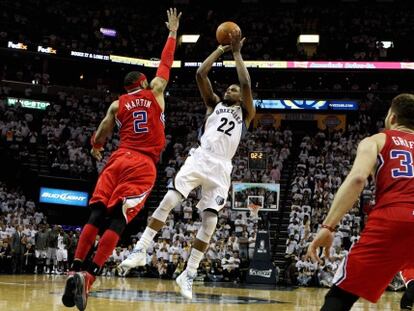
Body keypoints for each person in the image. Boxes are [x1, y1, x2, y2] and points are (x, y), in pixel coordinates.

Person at [118, 28, 255, 300]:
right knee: (169, 199)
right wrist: (221, 50)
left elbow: (247, 84)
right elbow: (200, 74)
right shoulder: (213, 104)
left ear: (241, 97)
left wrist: (238, 54)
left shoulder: (246, 112)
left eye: (234, 89)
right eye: (228, 87)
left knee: (210, 222)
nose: (230, 89)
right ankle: (142, 249)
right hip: (201, 157)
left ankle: (189, 273)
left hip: (222, 168)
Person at [61, 8, 181, 311]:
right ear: (143, 81)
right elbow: (165, 64)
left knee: (96, 214)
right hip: (142, 163)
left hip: (117, 159)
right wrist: (172, 32)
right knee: (118, 220)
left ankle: (75, 266)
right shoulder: (155, 92)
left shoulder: (117, 104)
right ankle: (89, 276)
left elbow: (101, 133)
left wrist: (95, 148)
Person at [306, 93, 414, 311]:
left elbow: (357, 179)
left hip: (393, 217)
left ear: (392, 118)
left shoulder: (377, 140)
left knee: (341, 297)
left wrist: (328, 226)